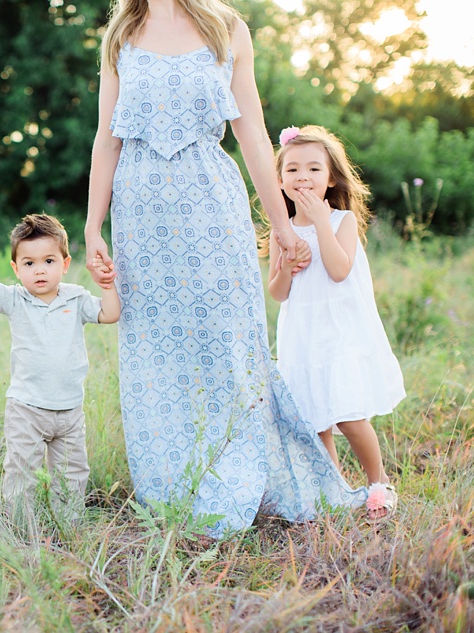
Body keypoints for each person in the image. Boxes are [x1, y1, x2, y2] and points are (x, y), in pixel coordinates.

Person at [84, 0, 366, 536]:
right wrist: (93, 225)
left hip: (211, 203)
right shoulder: (120, 33)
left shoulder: (227, 27)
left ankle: (242, 480)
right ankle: (174, 489)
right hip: (140, 211)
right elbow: (108, 139)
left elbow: (253, 135)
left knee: (229, 345)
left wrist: (282, 227)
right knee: (157, 353)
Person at [268, 125, 404, 520]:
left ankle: (379, 484)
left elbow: (340, 269)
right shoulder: (283, 229)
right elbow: (278, 292)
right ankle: (337, 490)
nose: (303, 177)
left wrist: (320, 224)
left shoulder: (342, 221)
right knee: (314, 420)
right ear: (280, 180)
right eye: (292, 170)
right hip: (302, 335)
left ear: (330, 180)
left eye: (313, 169)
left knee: (347, 412)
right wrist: (288, 266)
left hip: (340, 332)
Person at [0, 214, 120, 521]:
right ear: (16, 269)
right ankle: (19, 528)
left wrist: (107, 284)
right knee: (21, 472)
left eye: (48, 260)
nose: (40, 270)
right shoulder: (15, 299)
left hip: (70, 411)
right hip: (27, 409)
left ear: (65, 264)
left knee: (72, 474)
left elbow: (110, 314)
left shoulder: (76, 298)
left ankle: (68, 528)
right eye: (29, 264)